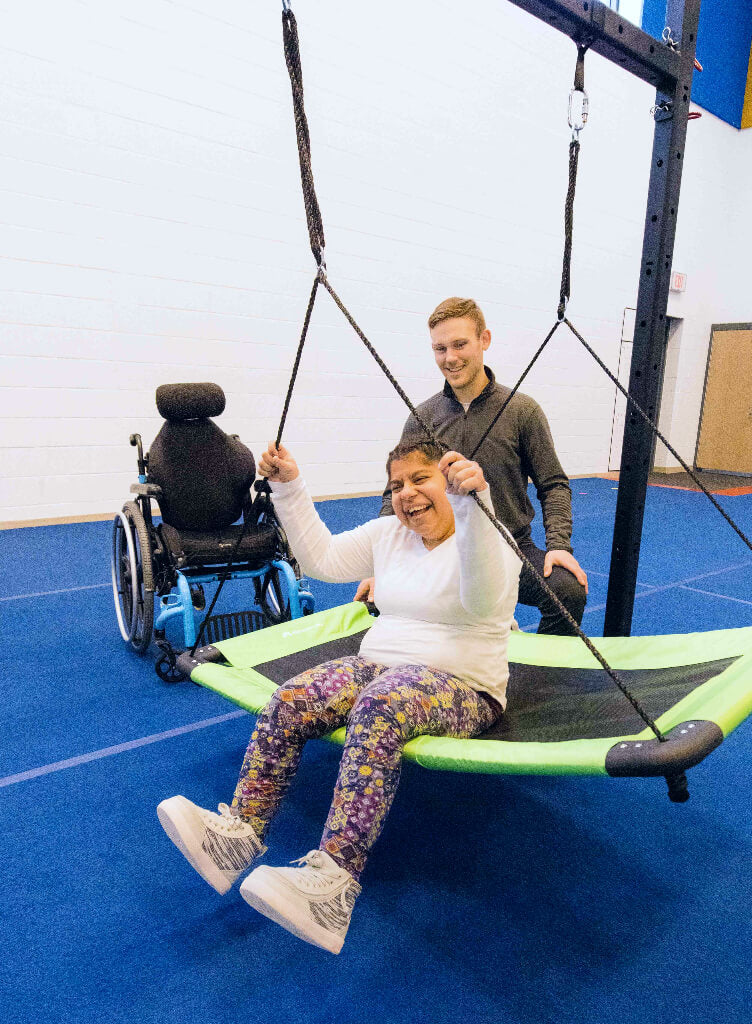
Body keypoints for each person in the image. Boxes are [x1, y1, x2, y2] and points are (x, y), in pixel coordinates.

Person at [157, 439, 520, 955]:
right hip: (382, 665)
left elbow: (482, 598)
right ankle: (236, 836)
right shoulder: (390, 535)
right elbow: (322, 558)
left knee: (380, 706)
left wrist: (471, 506)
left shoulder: (489, 538)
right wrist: (289, 486)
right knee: (292, 698)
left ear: (451, 478)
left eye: (420, 479)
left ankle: (334, 886)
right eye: (396, 485)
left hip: (464, 684)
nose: (406, 494)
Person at [355, 296, 588, 635]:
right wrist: (380, 564)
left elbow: (553, 485)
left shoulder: (522, 411)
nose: (450, 358)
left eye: (460, 344)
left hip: (508, 550)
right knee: (375, 599)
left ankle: (538, 685)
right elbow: (395, 492)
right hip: (435, 549)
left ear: (484, 340)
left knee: (568, 591)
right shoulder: (423, 417)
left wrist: (559, 547)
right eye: (440, 348)